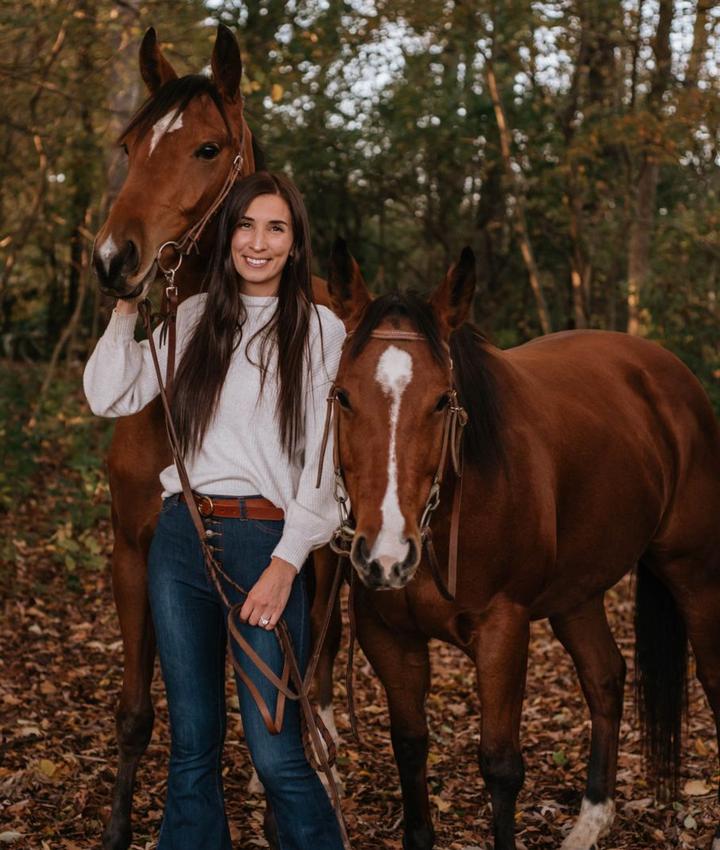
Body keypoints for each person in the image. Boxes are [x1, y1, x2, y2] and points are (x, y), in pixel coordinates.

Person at [84, 171, 346, 850]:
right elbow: (110, 395)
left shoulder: (321, 332)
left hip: (266, 544)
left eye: (276, 228)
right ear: (228, 235)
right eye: (246, 225)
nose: (258, 242)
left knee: (276, 752)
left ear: (295, 243)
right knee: (192, 745)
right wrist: (126, 307)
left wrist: (288, 565)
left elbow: (325, 470)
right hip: (182, 542)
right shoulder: (197, 317)